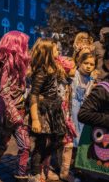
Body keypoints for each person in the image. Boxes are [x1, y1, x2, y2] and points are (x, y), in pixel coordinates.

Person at [0, 31, 31, 182]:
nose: (26, 46)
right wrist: (14, 114)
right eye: (24, 43)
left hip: (19, 109)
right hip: (7, 111)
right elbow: (4, 93)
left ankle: (21, 176)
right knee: (2, 144)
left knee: (25, 146)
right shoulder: (6, 63)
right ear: (17, 44)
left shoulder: (20, 64)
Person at [23, 38, 67, 182]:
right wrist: (35, 119)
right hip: (42, 112)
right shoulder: (41, 71)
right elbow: (34, 95)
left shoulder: (53, 67)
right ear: (48, 52)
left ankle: (37, 161)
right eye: (55, 50)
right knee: (40, 143)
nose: (58, 52)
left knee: (59, 138)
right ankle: (34, 174)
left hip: (54, 110)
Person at [71, 53, 96, 148]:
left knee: (82, 130)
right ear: (80, 63)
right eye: (86, 63)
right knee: (73, 128)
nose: (88, 66)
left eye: (92, 64)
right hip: (73, 106)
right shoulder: (74, 74)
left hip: (83, 107)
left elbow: (87, 95)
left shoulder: (90, 79)